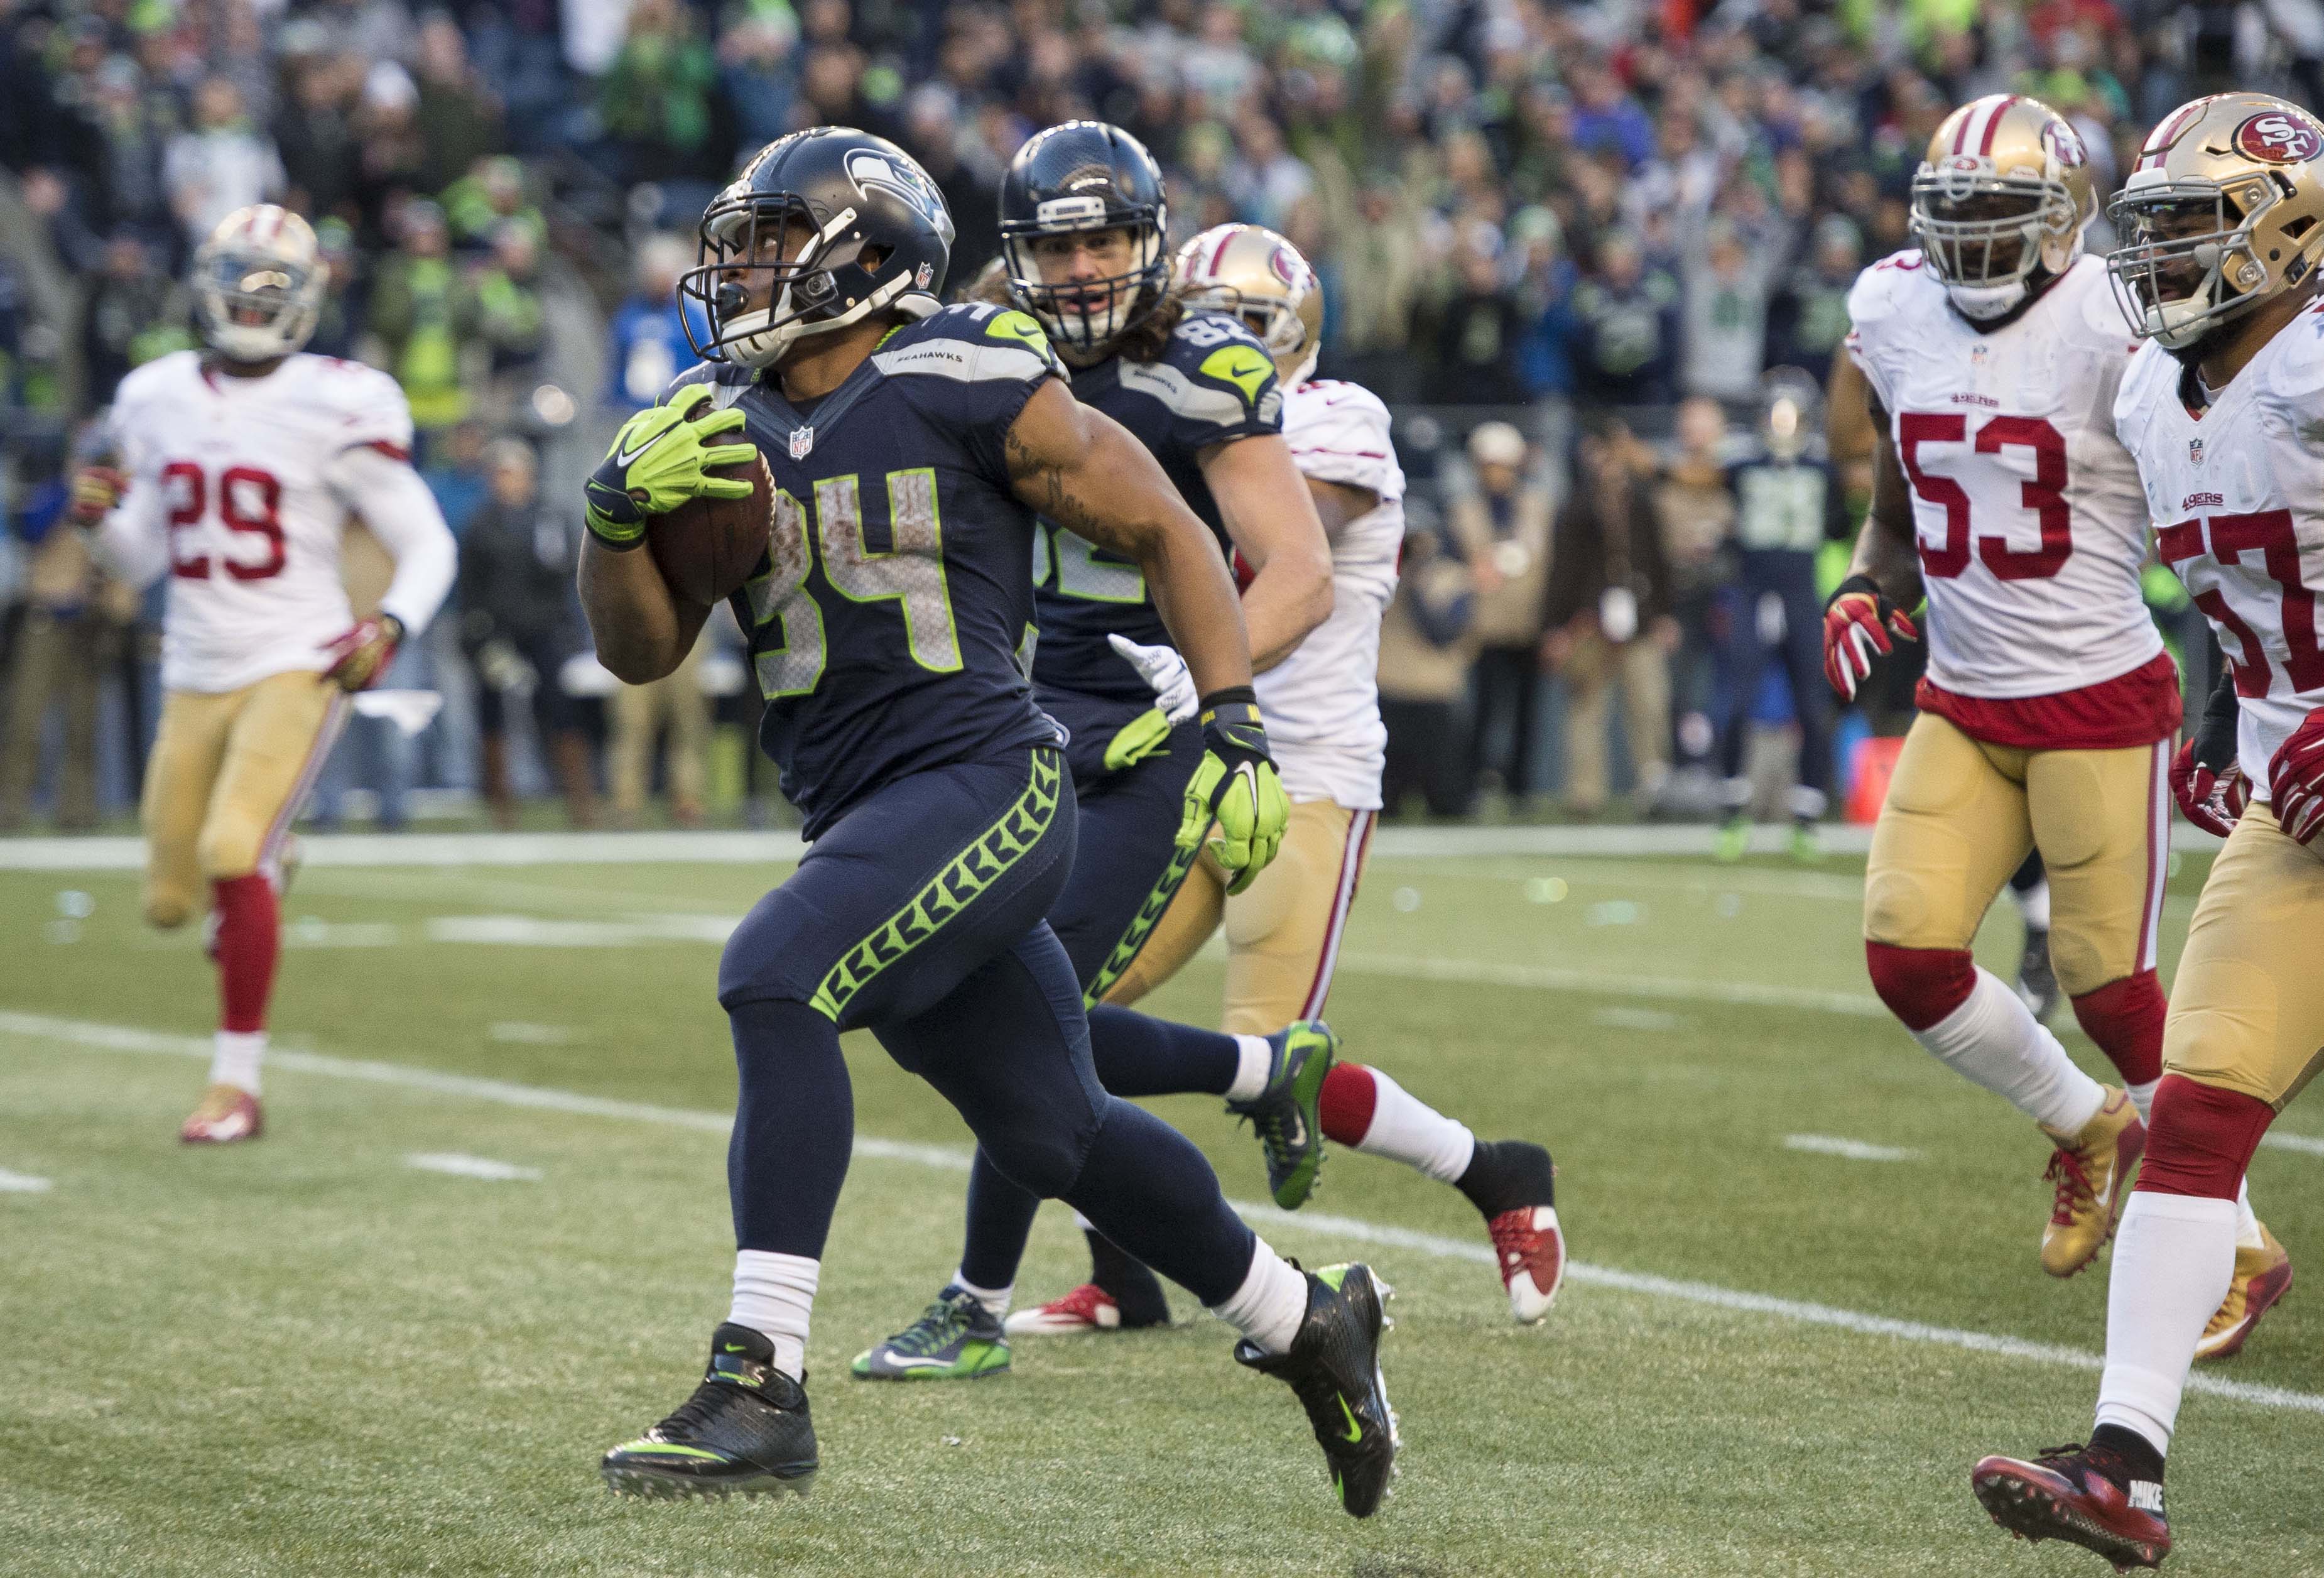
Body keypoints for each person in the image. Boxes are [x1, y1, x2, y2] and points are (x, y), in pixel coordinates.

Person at [578, 127, 1398, 1515]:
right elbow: (642, 651)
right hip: (857, 810)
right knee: (1052, 1126)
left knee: (773, 973)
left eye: (777, 239)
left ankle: (759, 1379)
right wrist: (607, 527)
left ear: (867, 250)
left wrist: (1232, 719)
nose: (745, 268)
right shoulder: (717, 411)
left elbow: (1169, 531)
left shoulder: (965, 369)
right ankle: (1303, 1316)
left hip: (987, 781)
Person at [989, 226, 1564, 1341]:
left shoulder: (1332, 418)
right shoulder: (1153, 406)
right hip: (1182, 764)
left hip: (1303, 773)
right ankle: (1124, 1270)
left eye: (1243, 326)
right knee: (1058, 1010)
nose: (1219, 346)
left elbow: (1274, 530)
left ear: (1291, 333)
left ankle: (1493, 1171)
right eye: (1200, 320)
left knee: (1269, 1050)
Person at [851, 124, 1337, 1382]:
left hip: (1155, 725)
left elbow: (1298, 568)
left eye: (1104, 237)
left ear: (1150, 238)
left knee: (1029, 995)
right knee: (962, 989)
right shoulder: (973, 345)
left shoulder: (1198, 368)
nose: (1078, 267)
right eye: (1055, 243)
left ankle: (974, 1298)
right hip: (1017, 722)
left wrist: (1207, 677)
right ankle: (1257, 1069)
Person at [1828, 95, 2279, 1326]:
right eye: (1953, 215)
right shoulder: (1888, 307)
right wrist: (1871, 577)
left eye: (1998, 213)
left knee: (2109, 986)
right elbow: (1889, 483)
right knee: (1906, 953)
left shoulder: (2117, 315)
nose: (1970, 240)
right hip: (1961, 698)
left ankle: (2235, 1243)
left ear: (2063, 219)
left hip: (2097, 697)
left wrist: (2227, 693)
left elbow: (2213, 506)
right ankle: (2085, 1123)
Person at [1971, 90, 2324, 1570]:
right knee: (2193, 1112)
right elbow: (2221, 590)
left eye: (2194, 227)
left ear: (2286, 226)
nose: (2164, 258)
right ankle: (2122, 1465)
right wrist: (2215, 719)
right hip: (2292, 812)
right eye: (2158, 230)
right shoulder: (2142, 393)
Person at [69, 205, 456, 1143]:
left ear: (310, 297)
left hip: (299, 657)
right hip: (195, 667)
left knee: (230, 851)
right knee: (169, 902)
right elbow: (145, 559)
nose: (252, 296)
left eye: (273, 283)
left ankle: (234, 1084)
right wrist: (98, 524)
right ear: (204, 283)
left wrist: (392, 622)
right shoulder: (154, 394)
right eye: (239, 276)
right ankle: (270, 867)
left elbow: (425, 540)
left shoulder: (337, 397)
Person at [1713, 370, 1847, 862]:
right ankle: (1732, 809)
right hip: (1752, 588)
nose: (1784, 424)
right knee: (1737, 701)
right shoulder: (1741, 466)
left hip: (1800, 591)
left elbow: (1837, 521)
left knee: (1812, 705)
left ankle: (1807, 815)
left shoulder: (1823, 470)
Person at [458, 437, 597, 829]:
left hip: (544, 627)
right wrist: (477, 636)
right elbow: (470, 587)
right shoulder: (480, 524)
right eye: (503, 474)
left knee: (560, 709)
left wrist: (569, 629)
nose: (510, 482)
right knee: (493, 712)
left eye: (516, 474)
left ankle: (579, 799)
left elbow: (567, 572)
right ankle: (501, 800)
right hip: (497, 630)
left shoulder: (550, 518)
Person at [1544, 418, 1676, 817]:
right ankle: (1585, 794)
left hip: (1639, 618)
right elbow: (1562, 571)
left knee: (1649, 705)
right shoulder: (1577, 506)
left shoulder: (1642, 502)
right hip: (1588, 622)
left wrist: (1665, 614)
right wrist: (1555, 627)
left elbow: (1659, 561)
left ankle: (1653, 786)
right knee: (1586, 708)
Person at [1450, 420, 1554, 801]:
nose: (1497, 473)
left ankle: (1520, 785)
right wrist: (1472, 573)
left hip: (1528, 621)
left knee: (1528, 710)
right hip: (1484, 624)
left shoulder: (1536, 507)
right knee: (1483, 707)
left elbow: (1546, 565)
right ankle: (1472, 783)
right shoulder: (1465, 510)